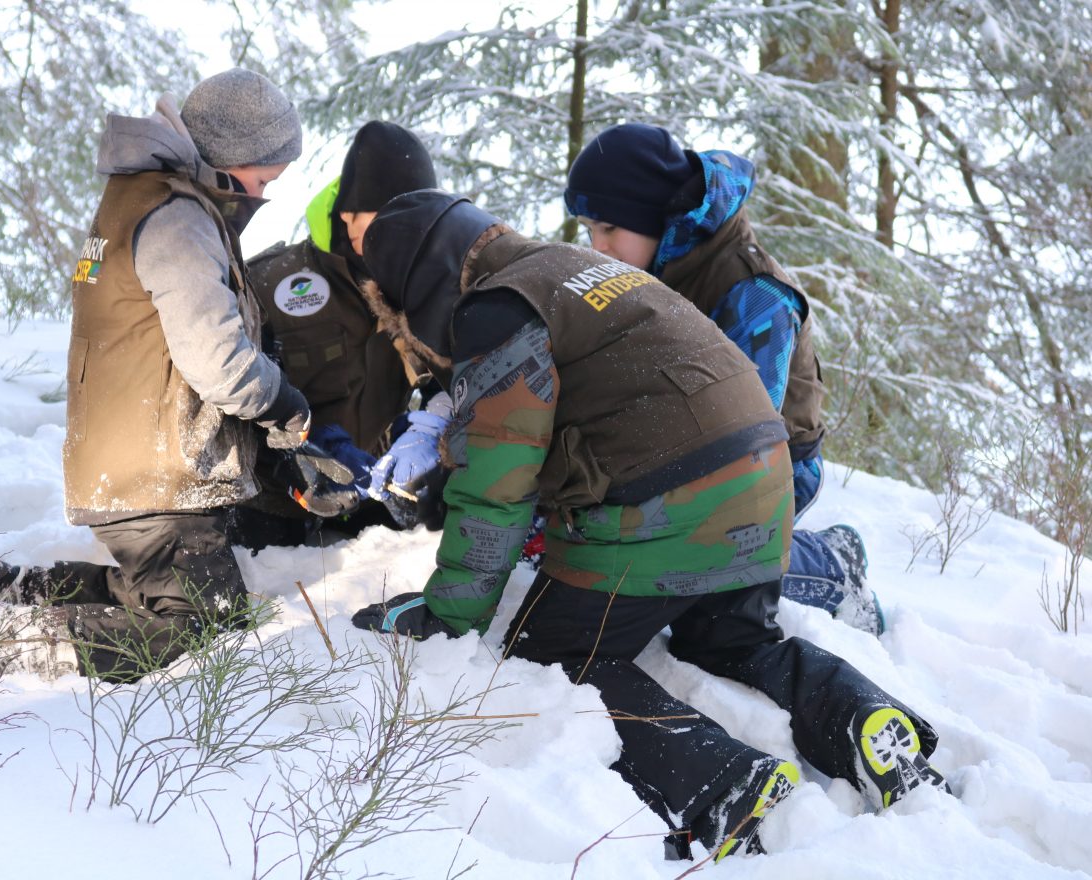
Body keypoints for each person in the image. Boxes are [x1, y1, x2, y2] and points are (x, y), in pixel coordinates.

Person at [349, 190, 950, 860]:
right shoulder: (572, 267)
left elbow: (500, 486)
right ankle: (863, 719)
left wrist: (448, 612)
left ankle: (727, 784)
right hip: (763, 479)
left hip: (666, 498)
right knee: (734, 639)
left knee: (551, 659)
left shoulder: (498, 307)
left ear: (416, 278)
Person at [0, 70, 313, 681]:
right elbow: (216, 359)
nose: (264, 194)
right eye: (264, 179)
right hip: (154, 467)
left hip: (133, 456)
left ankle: (4, 587)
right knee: (199, 626)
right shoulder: (177, 218)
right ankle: (0, 640)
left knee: (175, 600)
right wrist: (286, 407)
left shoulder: (144, 197)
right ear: (230, 158)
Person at [564, 123, 883, 635]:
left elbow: (744, 432)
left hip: (773, 462)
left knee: (686, 567)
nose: (598, 247)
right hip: (678, 440)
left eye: (608, 228)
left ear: (652, 219)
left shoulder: (753, 295)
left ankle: (829, 566)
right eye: (588, 230)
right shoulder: (646, 268)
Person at [234, 121, 451, 548]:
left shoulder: (424, 287)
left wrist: (422, 433)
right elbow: (224, 389)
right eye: (350, 211)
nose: (351, 220)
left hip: (375, 510)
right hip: (272, 513)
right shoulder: (270, 284)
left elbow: (451, 382)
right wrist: (301, 451)